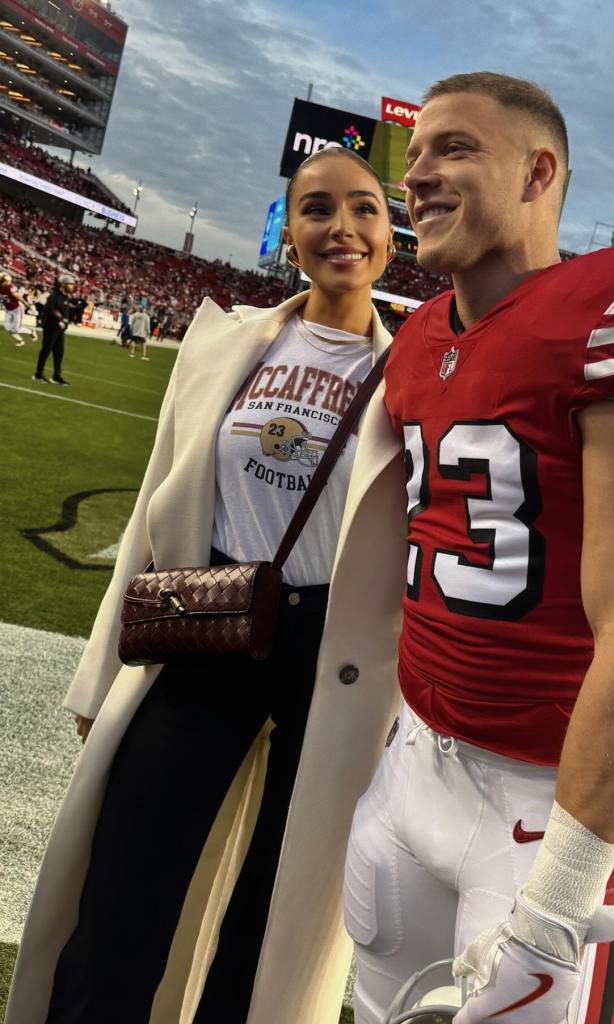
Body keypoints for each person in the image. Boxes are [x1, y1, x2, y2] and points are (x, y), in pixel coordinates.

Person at [340, 72, 614, 1024]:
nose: (418, 174)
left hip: (540, 798)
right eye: (416, 152)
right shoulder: (422, 333)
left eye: (455, 149)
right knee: (371, 1009)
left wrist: (560, 895)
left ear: (537, 172)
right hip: (411, 760)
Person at [6, 147, 399, 1024]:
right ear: (288, 233)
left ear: (389, 233)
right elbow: (154, 502)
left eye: (366, 209)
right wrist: (101, 671)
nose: (343, 227)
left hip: (331, 659)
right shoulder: (226, 340)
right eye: (318, 208)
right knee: (127, 881)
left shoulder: (413, 378)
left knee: (276, 911)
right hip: (205, 624)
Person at [32, 275, 75, 385]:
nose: (72, 286)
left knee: (59, 352)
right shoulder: (54, 296)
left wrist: (66, 322)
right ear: (63, 285)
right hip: (52, 327)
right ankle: (38, 374)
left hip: (60, 330)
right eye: (70, 284)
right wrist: (59, 320)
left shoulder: (65, 297)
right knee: (46, 350)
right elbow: (49, 308)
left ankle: (56, 375)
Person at [1, 270, 27, 345]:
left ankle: (31, 332)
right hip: (9, 309)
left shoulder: (12, 287)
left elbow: (19, 297)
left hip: (16, 308)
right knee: (7, 327)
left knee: (16, 329)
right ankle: (20, 340)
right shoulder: (5, 287)